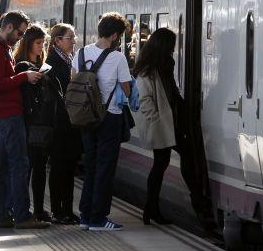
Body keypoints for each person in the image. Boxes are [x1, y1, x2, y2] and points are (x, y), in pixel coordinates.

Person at [0, 10, 49, 229]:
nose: (21, 37)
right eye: (19, 32)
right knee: (19, 165)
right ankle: (21, 216)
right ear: (8, 27)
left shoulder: (2, 50)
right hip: (7, 116)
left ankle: (1, 216)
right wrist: (24, 76)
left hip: (3, 115)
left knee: (0, 167)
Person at [133, 27, 207, 225]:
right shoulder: (147, 71)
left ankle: (152, 209)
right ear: (163, 45)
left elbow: (172, 91)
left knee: (166, 163)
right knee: (163, 164)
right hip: (161, 125)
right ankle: (156, 208)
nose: (174, 48)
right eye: (172, 44)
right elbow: (144, 98)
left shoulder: (165, 64)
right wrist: (156, 119)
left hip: (171, 123)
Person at [72, 12, 131, 231]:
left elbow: (73, 81)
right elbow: (126, 88)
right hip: (109, 117)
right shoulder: (118, 58)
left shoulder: (80, 53)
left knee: (90, 166)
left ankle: (85, 217)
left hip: (85, 118)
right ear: (115, 35)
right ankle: (98, 218)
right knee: (105, 168)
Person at [14, 24, 58, 223]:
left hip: (42, 122)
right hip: (28, 123)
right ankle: (22, 209)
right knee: (28, 167)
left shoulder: (43, 65)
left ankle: (39, 209)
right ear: (28, 43)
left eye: (43, 43)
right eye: (39, 43)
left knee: (40, 167)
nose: (42, 47)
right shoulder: (21, 66)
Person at [46, 23, 82, 224]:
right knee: (60, 166)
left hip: (70, 121)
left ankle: (68, 209)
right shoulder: (52, 62)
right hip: (60, 122)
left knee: (69, 167)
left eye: (74, 37)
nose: (74, 41)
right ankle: (58, 210)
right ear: (58, 41)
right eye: (70, 38)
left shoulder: (68, 59)